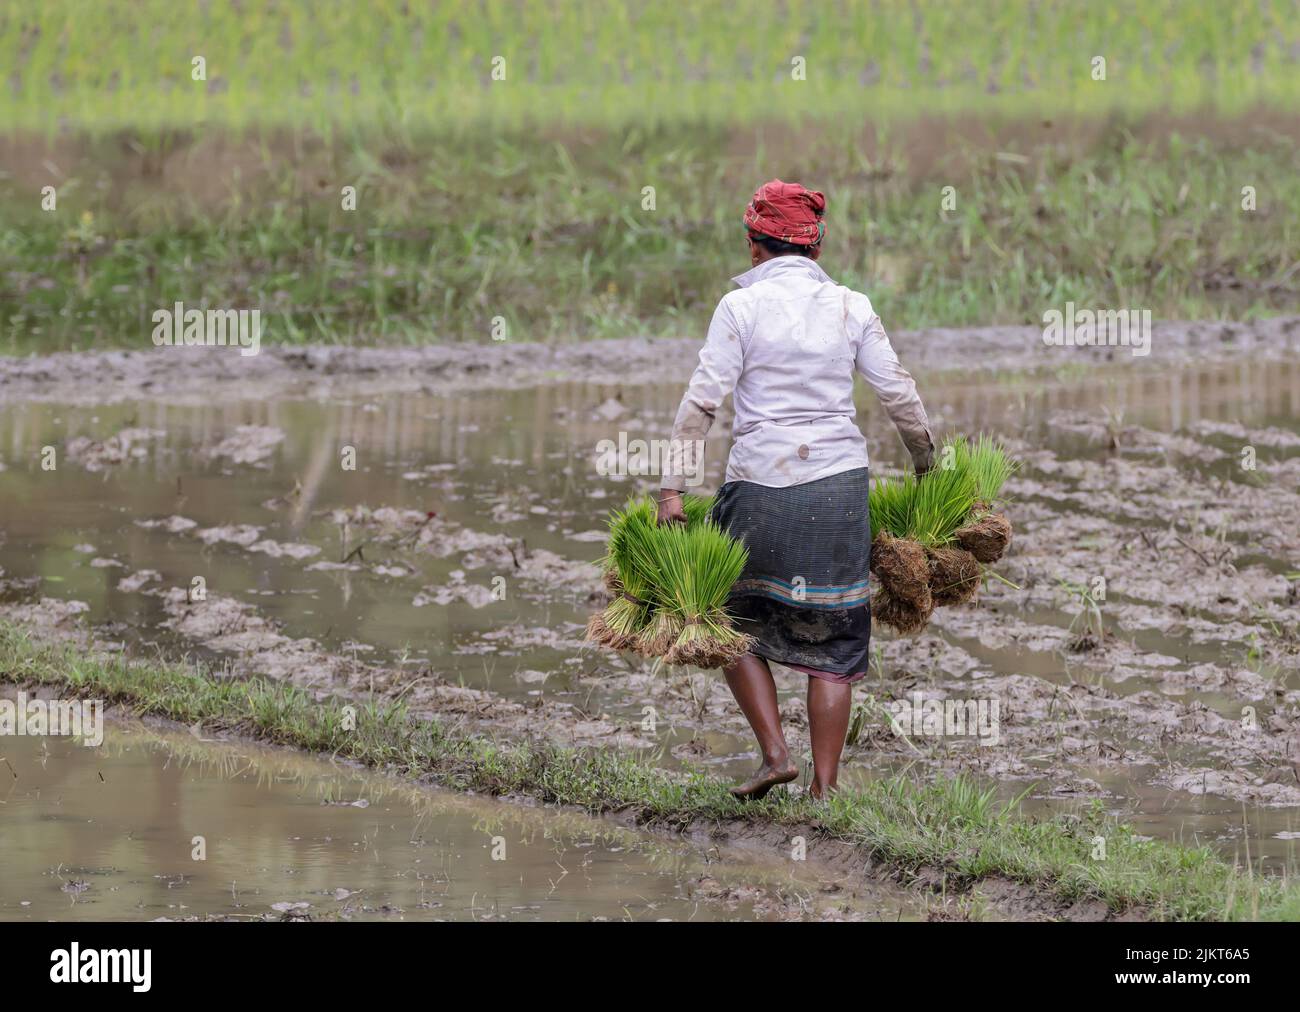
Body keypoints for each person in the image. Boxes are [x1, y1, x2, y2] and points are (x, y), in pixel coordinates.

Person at [658, 179, 934, 800]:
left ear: (755, 247)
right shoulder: (851, 306)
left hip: (760, 486)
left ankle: (775, 754)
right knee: (835, 640)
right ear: (815, 247)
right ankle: (824, 791)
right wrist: (926, 468)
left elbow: (702, 401)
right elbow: (898, 393)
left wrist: (671, 488)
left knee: (726, 619)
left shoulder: (740, 309)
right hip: (837, 490)